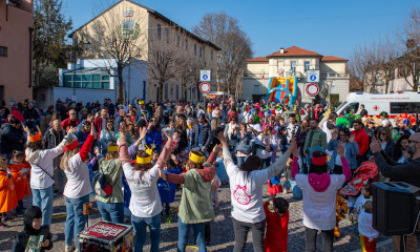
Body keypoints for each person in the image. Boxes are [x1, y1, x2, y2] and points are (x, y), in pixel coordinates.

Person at [218, 131, 291, 252]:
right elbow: (275, 167)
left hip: (238, 216)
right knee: (258, 247)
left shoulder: (234, 172)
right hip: (256, 218)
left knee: (239, 245)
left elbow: (227, 160)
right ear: (257, 167)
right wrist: (289, 152)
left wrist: (225, 144)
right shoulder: (257, 175)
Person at [118, 126, 172, 252]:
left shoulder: (129, 173)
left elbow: (124, 157)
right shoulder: (152, 174)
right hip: (153, 212)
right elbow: (162, 159)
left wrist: (123, 136)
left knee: (139, 240)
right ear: (149, 163)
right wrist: (169, 140)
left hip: (136, 213)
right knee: (155, 239)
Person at [291, 142, 351, 252]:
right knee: (328, 247)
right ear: (325, 165)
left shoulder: (305, 180)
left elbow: (294, 174)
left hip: (310, 218)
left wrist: (295, 157)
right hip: (327, 219)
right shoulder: (333, 180)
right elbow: (348, 175)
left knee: (310, 247)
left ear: (312, 165)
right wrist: (342, 156)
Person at [370, 133, 420, 252]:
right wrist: (381, 151)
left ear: (418, 146)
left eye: (410, 142)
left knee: (405, 244)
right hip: (407, 211)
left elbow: (387, 171)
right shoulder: (415, 163)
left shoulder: (417, 165)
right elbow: (393, 165)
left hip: (410, 213)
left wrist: (376, 153)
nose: (407, 144)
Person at [160, 149, 217, 252]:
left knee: (182, 241)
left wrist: (165, 175)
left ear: (190, 162)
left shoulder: (191, 175)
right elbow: (208, 163)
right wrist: (214, 152)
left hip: (187, 214)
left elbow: (179, 178)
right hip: (200, 214)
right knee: (200, 240)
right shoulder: (208, 172)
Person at [25, 126, 76, 229]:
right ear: (40, 143)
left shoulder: (28, 152)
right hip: (45, 183)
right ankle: (44, 231)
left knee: (36, 207)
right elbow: (60, 148)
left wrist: (28, 134)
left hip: (34, 183)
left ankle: (35, 228)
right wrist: (68, 135)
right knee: (46, 209)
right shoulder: (45, 154)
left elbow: (28, 143)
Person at [60, 122, 96, 252]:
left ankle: (68, 244)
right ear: (75, 149)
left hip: (68, 193)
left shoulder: (65, 159)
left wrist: (68, 134)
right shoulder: (76, 159)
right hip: (80, 194)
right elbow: (86, 148)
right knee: (80, 221)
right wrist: (91, 135)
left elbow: (66, 145)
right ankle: (79, 247)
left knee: (70, 219)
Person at [95, 142, 124, 224]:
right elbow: (130, 152)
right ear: (117, 152)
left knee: (107, 228)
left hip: (101, 199)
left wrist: (97, 153)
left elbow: (99, 157)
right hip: (114, 200)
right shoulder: (117, 162)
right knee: (118, 230)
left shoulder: (102, 162)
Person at [43, 119, 67, 193]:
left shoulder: (63, 132)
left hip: (62, 154)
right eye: (57, 125)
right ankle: (55, 187)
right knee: (55, 170)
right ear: (53, 126)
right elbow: (44, 143)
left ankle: (65, 186)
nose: (59, 127)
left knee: (64, 170)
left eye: (60, 125)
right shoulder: (49, 133)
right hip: (53, 154)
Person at [9, 150, 30, 216]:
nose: (21, 160)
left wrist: (27, 170)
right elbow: (13, 175)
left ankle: (21, 208)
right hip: (16, 185)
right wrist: (21, 172)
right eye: (20, 159)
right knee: (18, 198)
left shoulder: (21, 164)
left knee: (21, 197)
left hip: (21, 184)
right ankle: (19, 210)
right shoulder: (12, 166)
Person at [0, 155, 17, 227]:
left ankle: (3, 217)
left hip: (4, 193)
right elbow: (1, 183)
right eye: (4, 164)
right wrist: (8, 176)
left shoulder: (4, 171)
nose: (5, 165)